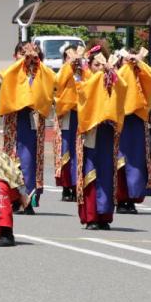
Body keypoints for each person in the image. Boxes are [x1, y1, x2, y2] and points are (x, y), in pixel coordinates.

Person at [0, 41, 56, 212]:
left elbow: (54, 80)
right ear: (15, 56)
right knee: (13, 158)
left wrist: (37, 61)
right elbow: (5, 76)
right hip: (15, 119)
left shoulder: (41, 72)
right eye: (23, 53)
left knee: (30, 159)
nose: (28, 56)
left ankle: (29, 197)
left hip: (33, 119)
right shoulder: (13, 71)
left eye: (32, 53)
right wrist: (22, 62)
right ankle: (14, 197)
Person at [74, 44, 126, 230]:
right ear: (90, 66)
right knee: (90, 172)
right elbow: (83, 93)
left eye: (102, 64)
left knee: (106, 173)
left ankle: (104, 214)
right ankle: (91, 215)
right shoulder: (85, 79)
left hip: (107, 131)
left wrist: (112, 75)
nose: (99, 68)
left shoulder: (112, 79)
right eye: (96, 64)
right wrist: (100, 77)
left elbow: (123, 91)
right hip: (90, 131)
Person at [114, 48, 151, 214]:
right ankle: (120, 198)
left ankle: (132, 198)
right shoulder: (119, 72)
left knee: (137, 162)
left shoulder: (141, 74)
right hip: (121, 121)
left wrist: (138, 62)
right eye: (127, 60)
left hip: (138, 121)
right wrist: (127, 65)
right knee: (120, 162)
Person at [53, 44, 83, 202]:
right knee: (65, 150)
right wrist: (69, 65)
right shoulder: (64, 71)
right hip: (67, 114)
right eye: (69, 56)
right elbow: (57, 84)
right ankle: (66, 186)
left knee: (79, 151)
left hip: (81, 115)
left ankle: (77, 185)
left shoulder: (84, 72)